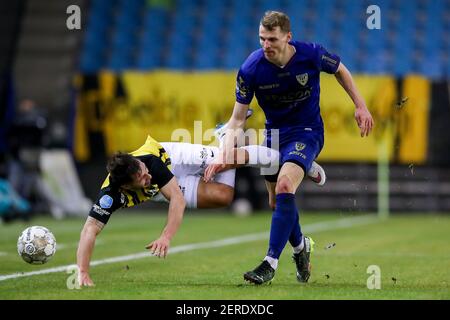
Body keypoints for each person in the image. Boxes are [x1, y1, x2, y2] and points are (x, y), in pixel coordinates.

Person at [205, 11, 374, 285]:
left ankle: (269, 263)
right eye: (262, 38)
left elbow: (340, 69)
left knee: (285, 186)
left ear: (288, 37)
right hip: (273, 136)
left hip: (307, 132)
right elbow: (237, 119)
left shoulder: (310, 54)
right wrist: (224, 155)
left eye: (272, 39)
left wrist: (360, 105)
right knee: (276, 203)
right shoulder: (251, 68)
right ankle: (300, 248)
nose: (266, 45)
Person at [78, 134, 327, 286]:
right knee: (224, 196)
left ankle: (297, 160)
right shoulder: (109, 195)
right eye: (142, 179)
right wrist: (83, 272)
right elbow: (90, 229)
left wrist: (166, 236)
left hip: (175, 158)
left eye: (144, 171)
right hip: (169, 183)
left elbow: (177, 199)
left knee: (225, 158)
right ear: (125, 185)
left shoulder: (151, 163)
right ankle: (226, 138)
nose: (147, 176)